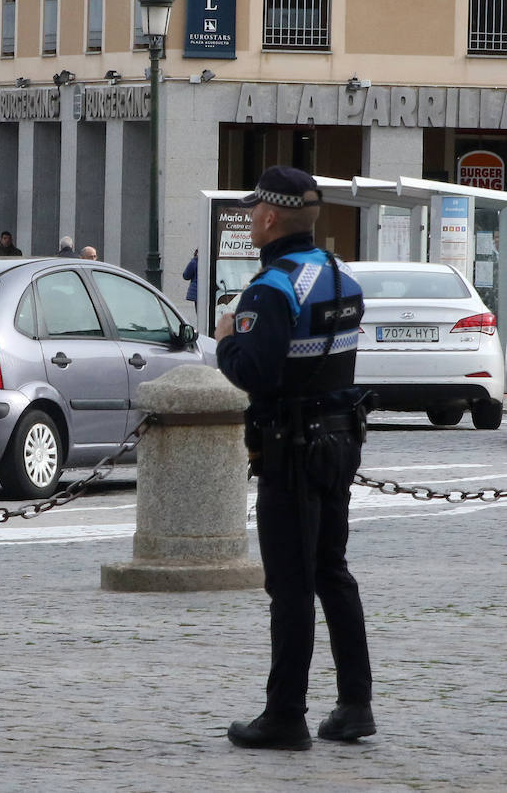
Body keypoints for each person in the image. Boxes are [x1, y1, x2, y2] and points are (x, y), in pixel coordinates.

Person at [214, 165, 374, 751]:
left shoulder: (272, 287)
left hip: (292, 447)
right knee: (332, 570)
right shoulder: (341, 276)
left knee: (291, 583)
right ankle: (355, 704)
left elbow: (256, 372)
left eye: (256, 208)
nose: (252, 216)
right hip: (340, 440)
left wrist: (228, 337)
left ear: (271, 216)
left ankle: (285, 715)